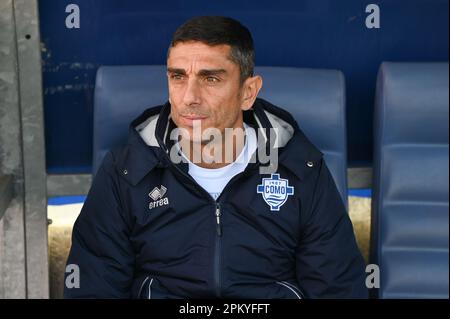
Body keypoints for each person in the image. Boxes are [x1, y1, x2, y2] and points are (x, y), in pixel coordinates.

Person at [64, 16, 368, 299]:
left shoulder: (301, 167)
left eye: (211, 79)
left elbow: (337, 288)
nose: (189, 97)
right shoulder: (127, 169)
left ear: (248, 92)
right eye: (178, 77)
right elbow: (94, 287)